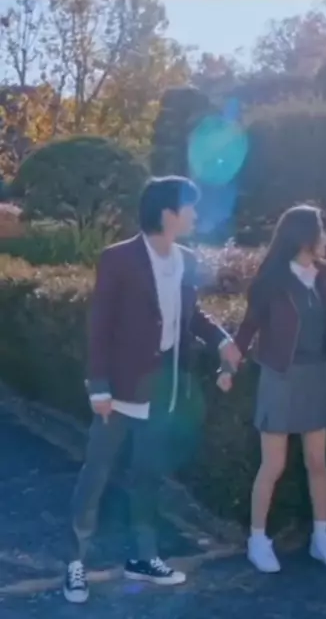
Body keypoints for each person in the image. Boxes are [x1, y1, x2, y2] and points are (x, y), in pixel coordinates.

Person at [63, 175, 241, 604]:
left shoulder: (186, 260)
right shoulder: (118, 258)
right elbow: (100, 325)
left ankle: (143, 557)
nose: (195, 214)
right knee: (97, 474)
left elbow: (193, 315)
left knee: (148, 476)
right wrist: (99, 386)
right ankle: (75, 562)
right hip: (119, 391)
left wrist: (222, 340)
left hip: (163, 392)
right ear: (167, 212)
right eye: (190, 206)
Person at [217, 205, 326, 574]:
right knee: (273, 464)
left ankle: (321, 538)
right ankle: (258, 540)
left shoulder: (325, 275)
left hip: (315, 374)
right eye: (320, 231)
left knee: (317, 462)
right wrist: (228, 367)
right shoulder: (271, 280)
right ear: (303, 236)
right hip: (280, 376)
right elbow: (248, 328)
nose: (325, 237)